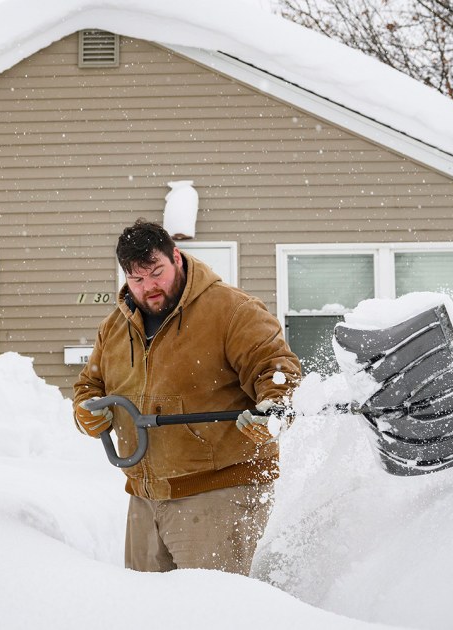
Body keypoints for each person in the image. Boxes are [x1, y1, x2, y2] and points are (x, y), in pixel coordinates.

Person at [73, 219, 301, 574]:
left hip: (219, 491)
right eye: (137, 279)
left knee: (211, 614)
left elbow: (276, 367)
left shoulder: (230, 310)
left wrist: (272, 408)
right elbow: (90, 386)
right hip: (144, 496)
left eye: (156, 272)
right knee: (145, 613)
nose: (149, 287)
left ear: (176, 257)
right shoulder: (116, 326)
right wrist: (85, 412)